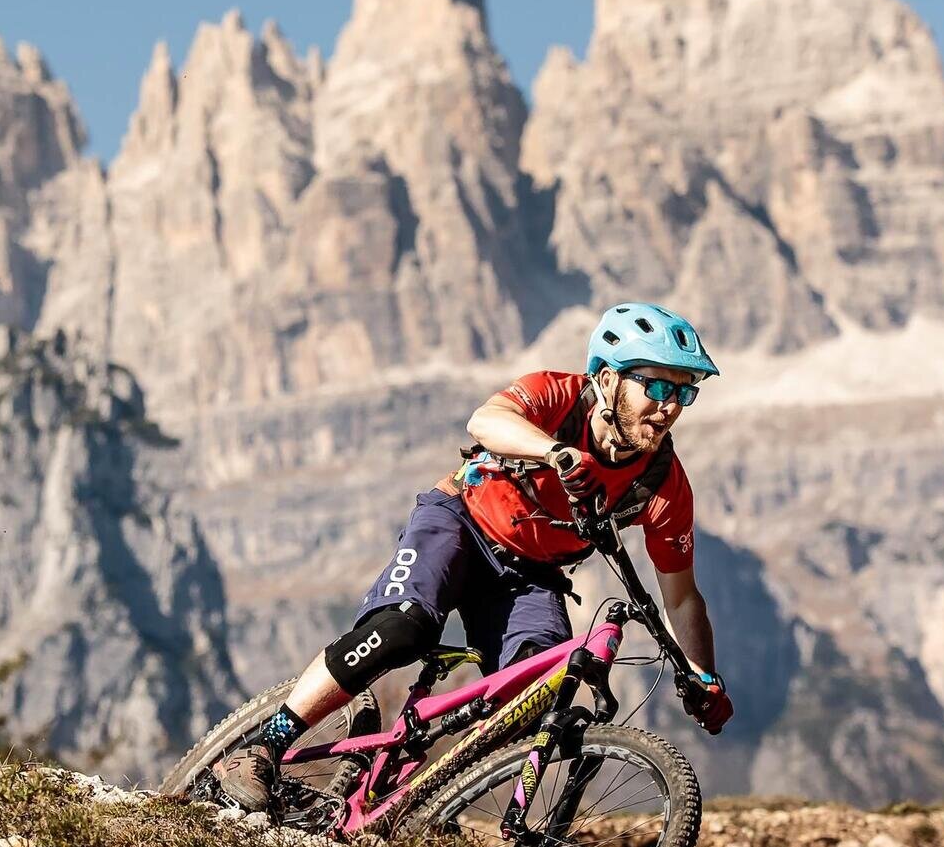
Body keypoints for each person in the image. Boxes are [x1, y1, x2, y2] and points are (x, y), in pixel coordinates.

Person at [212, 301, 734, 812]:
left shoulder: (663, 482)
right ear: (607, 379)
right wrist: (554, 452)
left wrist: (702, 675)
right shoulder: (557, 395)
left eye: (684, 393)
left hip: (530, 573)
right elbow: (486, 420)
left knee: (537, 694)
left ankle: (422, 799)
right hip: (459, 521)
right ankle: (261, 748)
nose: (670, 406)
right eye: (658, 386)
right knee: (402, 630)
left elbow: (682, 597)